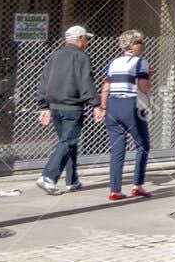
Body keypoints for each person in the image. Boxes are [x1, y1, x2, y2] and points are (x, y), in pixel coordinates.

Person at [35, 25, 103, 194]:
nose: (87, 42)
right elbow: (85, 82)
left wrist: (43, 105)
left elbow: (44, 81)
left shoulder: (54, 56)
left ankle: (72, 180)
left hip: (55, 107)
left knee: (68, 143)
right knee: (68, 142)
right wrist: (96, 104)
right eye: (86, 38)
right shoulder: (81, 57)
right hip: (72, 108)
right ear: (80, 38)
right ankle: (48, 177)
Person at [103, 30, 153, 201]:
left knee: (117, 148)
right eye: (140, 42)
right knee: (143, 144)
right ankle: (137, 185)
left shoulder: (114, 62)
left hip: (112, 106)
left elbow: (106, 87)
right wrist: (149, 79)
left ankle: (115, 189)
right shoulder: (141, 63)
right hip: (131, 106)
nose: (143, 45)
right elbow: (144, 86)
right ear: (134, 45)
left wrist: (103, 107)